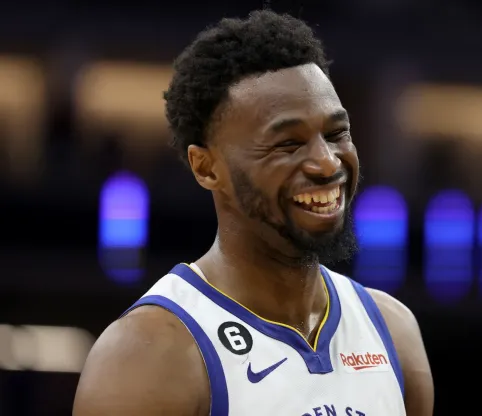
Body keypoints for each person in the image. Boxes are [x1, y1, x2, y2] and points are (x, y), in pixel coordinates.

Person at [73, 9, 434, 416]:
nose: (327, 163)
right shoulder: (150, 356)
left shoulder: (392, 331)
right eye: (287, 144)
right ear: (207, 168)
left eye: (336, 134)